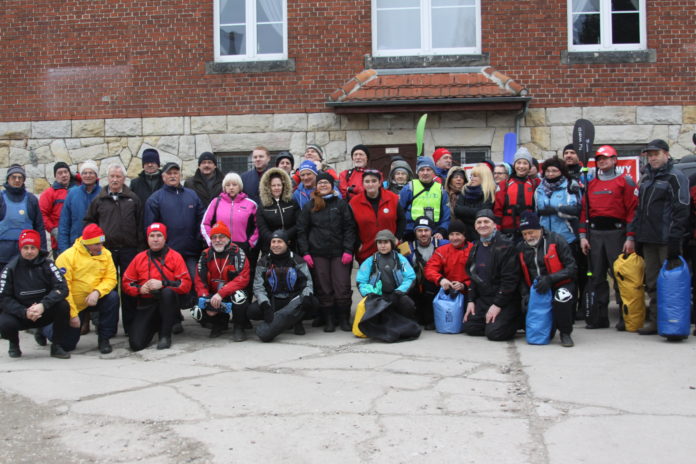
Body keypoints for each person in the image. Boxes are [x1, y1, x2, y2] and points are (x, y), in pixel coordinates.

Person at [628, 139, 690, 335]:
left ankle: (673, 323)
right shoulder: (646, 178)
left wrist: (675, 239)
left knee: (671, 285)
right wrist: (635, 236)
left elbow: (682, 209)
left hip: (667, 240)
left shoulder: (675, 176)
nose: (653, 158)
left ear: (666, 154)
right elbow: (639, 210)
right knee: (653, 283)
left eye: (656, 154)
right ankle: (656, 321)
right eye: (650, 155)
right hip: (648, 239)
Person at [579, 145, 638, 329]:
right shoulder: (591, 184)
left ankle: (625, 317)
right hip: (595, 235)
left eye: (606, 158)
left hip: (617, 235)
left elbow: (633, 211)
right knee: (596, 277)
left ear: (614, 160)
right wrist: (583, 236)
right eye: (599, 159)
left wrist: (630, 237)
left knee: (621, 276)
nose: (602, 161)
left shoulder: (625, 182)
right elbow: (583, 212)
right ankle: (599, 317)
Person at [84, 163, 144, 335]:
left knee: (128, 288)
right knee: (108, 289)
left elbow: (140, 224)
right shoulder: (99, 200)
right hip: (106, 251)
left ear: (124, 178)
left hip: (129, 250)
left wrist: (140, 249)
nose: (115, 179)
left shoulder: (133, 199)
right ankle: (108, 328)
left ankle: (130, 327)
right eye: (112, 176)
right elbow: (89, 222)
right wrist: (94, 246)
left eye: (118, 176)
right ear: (107, 178)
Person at [144, 162, 204, 324]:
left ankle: (202, 316)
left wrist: (198, 238)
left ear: (180, 175)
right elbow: (150, 228)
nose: (172, 176)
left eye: (175, 173)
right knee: (171, 287)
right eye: (169, 173)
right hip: (167, 255)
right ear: (163, 177)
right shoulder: (155, 199)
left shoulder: (192, 195)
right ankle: (174, 320)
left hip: (191, 252)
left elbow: (202, 219)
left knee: (196, 283)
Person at [296, 171, 356, 332]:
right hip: (318, 253)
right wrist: (306, 252)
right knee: (324, 287)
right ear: (316, 186)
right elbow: (302, 230)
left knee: (342, 285)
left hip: (339, 253)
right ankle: (329, 319)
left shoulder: (341, 204)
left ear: (332, 186)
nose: (323, 185)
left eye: (326, 183)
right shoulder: (310, 206)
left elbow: (349, 228)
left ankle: (343, 318)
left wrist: (348, 250)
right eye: (320, 183)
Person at [0, 230, 71, 359]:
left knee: (63, 306)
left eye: (33, 248)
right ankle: (14, 343)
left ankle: (57, 345)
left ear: (38, 248)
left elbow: (62, 288)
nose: (29, 251)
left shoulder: (49, 265)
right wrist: (24, 312)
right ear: (20, 249)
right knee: (4, 322)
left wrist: (43, 305)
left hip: (44, 310)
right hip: (21, 314)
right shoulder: (10, 268)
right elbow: (3, 298)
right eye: (26, 248)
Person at [122, 223, 192, 350]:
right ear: (147, 238)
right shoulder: (139, 258)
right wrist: (140, 289)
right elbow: (126, 283)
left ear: (165, 238)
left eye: (159, 235)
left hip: (168, 302)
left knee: (167, 293)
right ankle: (155, 324)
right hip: (147, 303)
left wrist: (164, 284)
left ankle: (165, 335)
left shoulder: (175, 256)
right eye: (152, 236)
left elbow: (185, 284)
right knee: (136, 344)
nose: (155, 239)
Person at [54, 224, 119, 354]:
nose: (100, 247)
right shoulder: (67, 257)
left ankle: (104, 338)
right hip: (75, 304)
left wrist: (97, 292)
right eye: (96, 244)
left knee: (113, 297)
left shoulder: (106, 254)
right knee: (68, 345)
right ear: (87, 243)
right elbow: (64, 288)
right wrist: (73, 315)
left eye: (102, 243)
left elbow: (111, 278)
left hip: (94, 299)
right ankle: (44, 328)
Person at [517, 211, 577, 347]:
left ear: (539, 229)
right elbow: (519, 276)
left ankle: (565, 332)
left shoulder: (557, 240)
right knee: (543, 334)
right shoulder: (520, 248)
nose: (528, 237)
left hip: (560, 283)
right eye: (525, 234)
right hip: (537, 288)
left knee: (562, 297)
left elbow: (572, 268)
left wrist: (550, 279)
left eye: (531, 232)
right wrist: (525, 294)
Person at [463, 209, 520, 341]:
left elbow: (510, 280)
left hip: (505, 299)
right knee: (470, 327)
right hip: (484, 298)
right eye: (479, 222)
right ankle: (494, 322)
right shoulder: (476, 246)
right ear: (475, 226)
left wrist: (497, 305)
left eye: (486, 222)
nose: (482, 225)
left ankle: (516, 320)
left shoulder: (506, 246)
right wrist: (471, 300)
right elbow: (473, 276)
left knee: (494, 333)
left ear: (494, 225)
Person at [248, 229, 314, 339]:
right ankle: (279, 320)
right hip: (273, 299)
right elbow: (258, 287)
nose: (276, 245)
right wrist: (265, 304)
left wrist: (307, 295)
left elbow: (308, 282)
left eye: (279, 241)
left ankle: (295, 322)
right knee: (252, 311)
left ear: (287, 243)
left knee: (312, 303)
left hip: (293, 299)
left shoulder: (297, 260)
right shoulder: (263, 262)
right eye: (273, 242)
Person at [193, 222, 250, 341]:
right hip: (213, 294)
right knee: (196, 310)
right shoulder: (205, 255)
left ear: (228, 238)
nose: (217, 240)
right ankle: (218, 324)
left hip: (230, 292)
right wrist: (206, 299)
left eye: (221, 237)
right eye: (214, 237)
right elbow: (199, 280)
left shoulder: (238, 253)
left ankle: (239, 327)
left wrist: (221, 293)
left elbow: (242, 278)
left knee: (239, 297)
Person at [356, 229, 417, 319]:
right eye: (380, 242)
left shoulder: (400, 259)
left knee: (408, 304)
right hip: (377, 296)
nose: (383, 246)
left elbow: (410, 277)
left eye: (386, 242)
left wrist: (400, 291)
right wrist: (369, 293)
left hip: (396, 294)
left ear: (391, 243)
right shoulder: (370, 260)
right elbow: (361, 281)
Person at [401, 217, 448, 329]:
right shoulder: (406, 248)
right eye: (419, 231)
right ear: (415, 232)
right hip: (416, 287)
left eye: (426, 230)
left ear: (432, 231)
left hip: (438, 286)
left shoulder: (444, 244)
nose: (423, 234)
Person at [349, 169, 405, 264]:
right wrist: (358, 245)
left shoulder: (392, 198)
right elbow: (351, 227)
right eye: (367, 181)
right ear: (363, 184)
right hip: (366, 251)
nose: (370, 184)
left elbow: (402, 220)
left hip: (391, 249)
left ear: (379, 183)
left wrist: (397, 238)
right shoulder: (354, 203)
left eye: (374, 181)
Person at [424, 219, 474, 317]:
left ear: (464, 235)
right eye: (451, 234)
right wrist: (441, 280)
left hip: (470, 291)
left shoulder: (474, 249)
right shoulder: (442, 250)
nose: (454, 238)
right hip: (448, 289)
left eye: (458, 234)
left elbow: (481, 274)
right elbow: (429, 269)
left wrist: (465, 285)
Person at [0, 165, 46, 268]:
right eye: (14, 177)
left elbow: (39, 227)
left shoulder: (31, 200)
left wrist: (42, 252)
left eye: (20, 177)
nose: (17, 180)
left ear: (23, 180)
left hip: (26, 254)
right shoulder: (1, 198)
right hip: (2, 256)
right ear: (8, 179)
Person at [201, 172, 258, 255]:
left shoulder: (251, 204)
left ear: (240, 186)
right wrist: (211, 241)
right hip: (220, 246)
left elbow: (258, 226)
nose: (231, 187)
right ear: (224, 187)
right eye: (228, 185)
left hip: (243, 247)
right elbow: (204, 224)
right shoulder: (216, 202)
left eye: (234, 185)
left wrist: (251, 243)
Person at [399, 156, 451, 241]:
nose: (425, 173)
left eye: (428, 170)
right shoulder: (408, 188)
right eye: (422, 170)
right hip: (410, 234)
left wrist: (441, 232)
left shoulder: (441, 190)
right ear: (418, 172)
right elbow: (399, 213)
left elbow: (446, 216)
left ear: (433, 172)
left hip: (434, 234)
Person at [534, 156, 581, 247]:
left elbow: (576, 210)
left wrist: (557, 210)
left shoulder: (569, 186)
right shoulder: (539, 189)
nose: (550, 174)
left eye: (554, 171)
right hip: (545, 237)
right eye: (547, 171)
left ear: (561, 171)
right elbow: (536, 212)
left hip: (566, 237)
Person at [57, 160, 101, 255]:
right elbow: (64, 223)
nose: (88, 175)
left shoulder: (102, 194)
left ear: (96, 175)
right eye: (85, 173)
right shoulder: (72, 194)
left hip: (97, 246)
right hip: (76, 246)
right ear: (81, 175)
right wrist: (64, 250)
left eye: (91, 173)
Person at [494, 147, 537, 241]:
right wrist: (497, 229)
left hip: (528, 229)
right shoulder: (504, 184)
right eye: (519, 163)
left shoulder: (534, 184)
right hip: (507, 230)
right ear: (514, 165)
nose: (521, 166)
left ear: (529, 166)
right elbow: (498, 208)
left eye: (525, 163)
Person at [256, 167, 300, 252]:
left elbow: (298, 223)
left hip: (291, 245)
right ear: (268, 187)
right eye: (273, 185)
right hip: (270, 247)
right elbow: (262, 228)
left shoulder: (292, 203)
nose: (276, 188)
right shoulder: (263, 206)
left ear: (284, 186)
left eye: (279, 185)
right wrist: (275, 241)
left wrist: (285, 237)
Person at [39, 162, 78, 253]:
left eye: (66, 172)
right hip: (59, 242)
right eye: (60, 173)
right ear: (55, 176)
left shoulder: (79, 190)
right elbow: (42, 214)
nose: (64, 175)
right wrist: (53, 229)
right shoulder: (49, 193)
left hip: (79, 239)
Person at [455, 163, 496, 241]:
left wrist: (465, 213)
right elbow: (457, 210)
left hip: (481, 234)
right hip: (465, 234)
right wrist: (475, 214)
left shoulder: (489, 193)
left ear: (484, 177)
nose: (472, 178)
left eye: (475, 176)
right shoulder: (465, 189)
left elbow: (483, 213)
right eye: (471, 175)